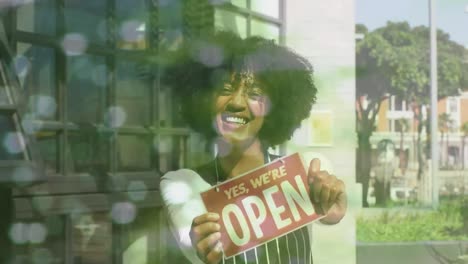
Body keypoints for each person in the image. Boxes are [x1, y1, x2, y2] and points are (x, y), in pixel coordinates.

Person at [160, 31, 347, 264]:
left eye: (255, 94)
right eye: (225, 90)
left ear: (274, 108)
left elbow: (326, 212)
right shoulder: (185, 183)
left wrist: (331, 207)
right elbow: (192, 243)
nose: (237, 103)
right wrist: (200, 244)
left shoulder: (301, 172)